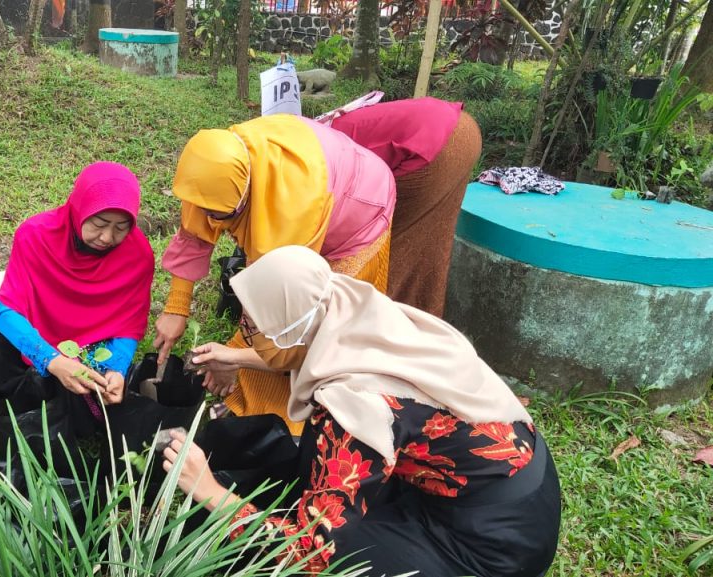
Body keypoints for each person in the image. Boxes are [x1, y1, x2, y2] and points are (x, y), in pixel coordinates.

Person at [164, 245, 561, 576]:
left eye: (254, 326)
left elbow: (311, 551)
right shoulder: (348, 305)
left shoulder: (355, 408)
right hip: (524, 480)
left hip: (495, 543)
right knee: (313, 461)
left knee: (341, 561)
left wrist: (210, 491)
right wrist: (239, 357)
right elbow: (311, 349)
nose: (247, 332)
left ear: (288, 330)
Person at [152, 114, 396, 435]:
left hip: (359, 209)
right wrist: (176, 307)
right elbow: (194, 234)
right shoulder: (215, 166)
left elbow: (284, 305)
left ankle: (297, 419)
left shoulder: (294, 198)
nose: (212, 221)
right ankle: (248, 401)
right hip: (313, 188)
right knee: (259, 329)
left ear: (247, 195)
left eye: (221, 215)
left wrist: (236, 357)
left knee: (322, 330)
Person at [0, 161, 155, 425]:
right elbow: (8, 311)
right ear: (80, 208)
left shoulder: (138, 255)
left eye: (121, 227)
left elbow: (128, 325)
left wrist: (117, 369)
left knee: (86, 398)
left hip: (90, 346)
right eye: (99, 223)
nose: (107, 237)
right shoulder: (36, 235)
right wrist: (50, 359)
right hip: (35, 334)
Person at [319, 96, 483, 317]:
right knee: (427, 247)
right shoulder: (313, 131)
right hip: (462, 128)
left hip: (427, 151)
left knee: (377, 253)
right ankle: (421, 325)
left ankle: (376, 327)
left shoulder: (307, 157)